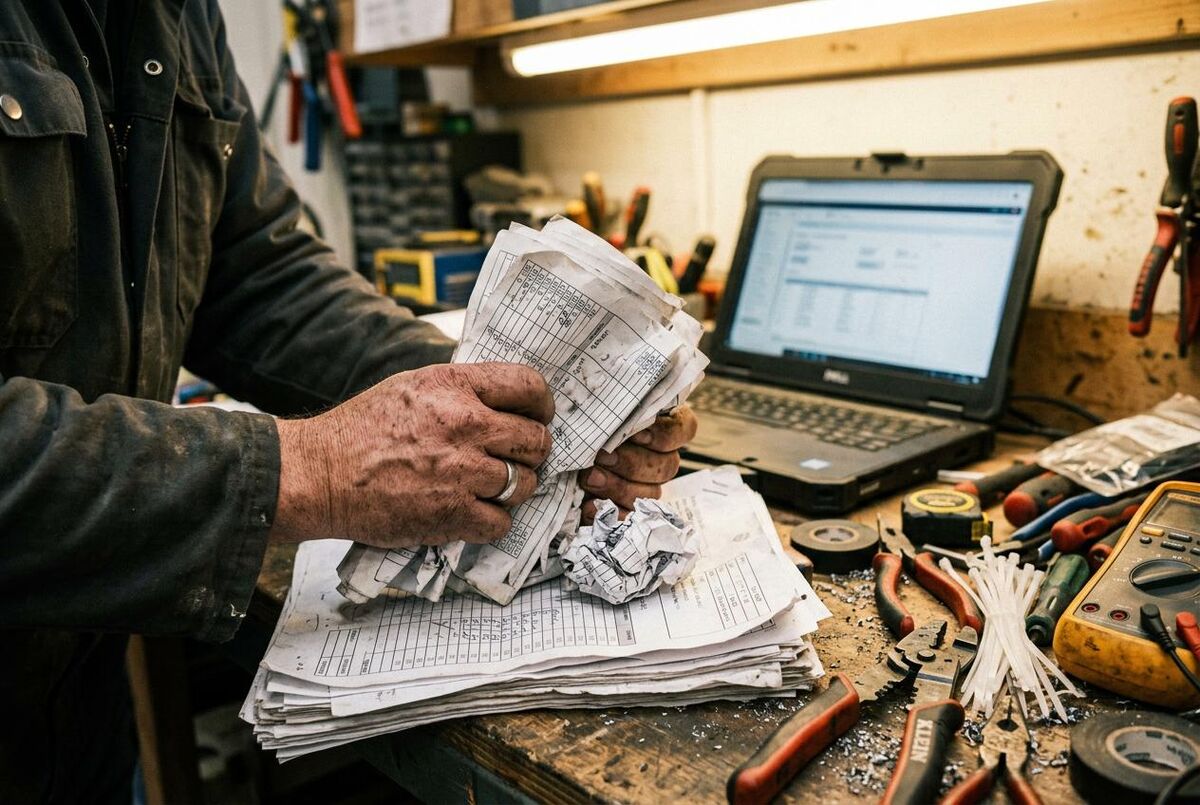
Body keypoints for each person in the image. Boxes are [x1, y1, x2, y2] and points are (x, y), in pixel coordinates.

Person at [0, 2, 697, 802]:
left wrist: (498, 403)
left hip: (74, 700)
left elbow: (258, 276)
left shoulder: (176, 17)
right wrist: (308, 468)